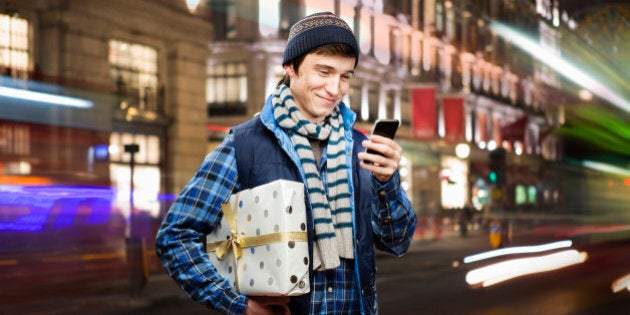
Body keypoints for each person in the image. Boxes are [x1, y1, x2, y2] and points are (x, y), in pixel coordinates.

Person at [155, 11, 417, 315]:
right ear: (290, 68)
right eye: (323, 71)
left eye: (345, 76)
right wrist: (238, 305)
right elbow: (175, 237)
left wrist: (388, 183)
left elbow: (397, 242)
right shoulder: (245, 144)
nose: (335, 89)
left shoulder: (362, 147)